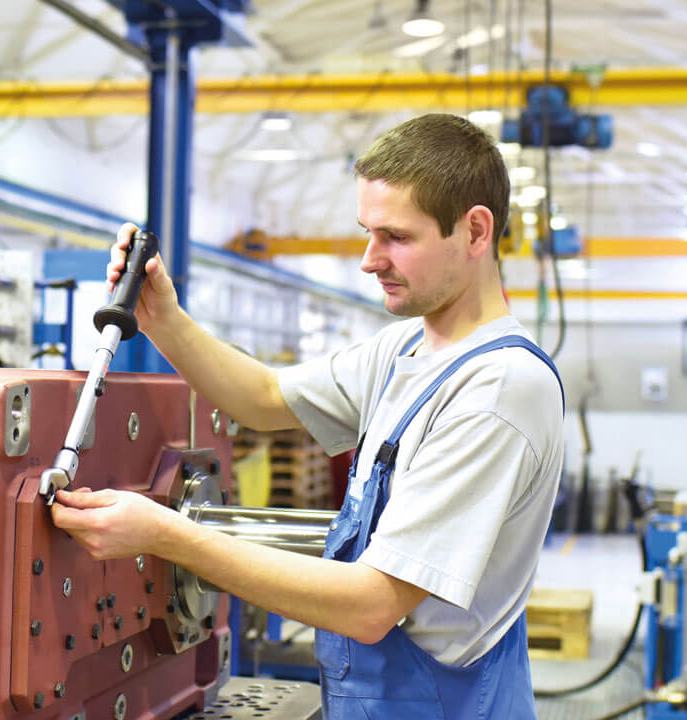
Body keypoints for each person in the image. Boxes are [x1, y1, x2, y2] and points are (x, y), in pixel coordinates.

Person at [51, 113, 565, 720]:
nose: (370, 260)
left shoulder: (497, 390)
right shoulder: (403, 350)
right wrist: (163, 317)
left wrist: (168, 537)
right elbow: (265, 397)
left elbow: (372, 604)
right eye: (366, 232)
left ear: (476, 231)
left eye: (396, 237)